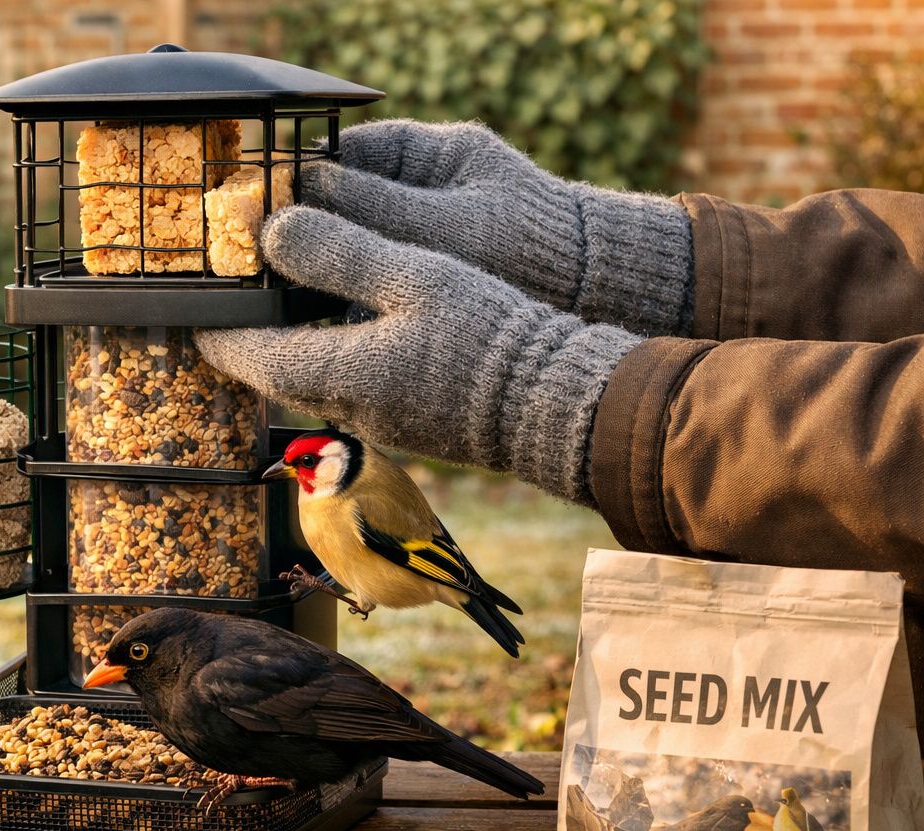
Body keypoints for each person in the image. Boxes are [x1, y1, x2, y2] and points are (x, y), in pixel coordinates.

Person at [194, 120, 924, 737]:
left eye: (302, 463)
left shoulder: (355, 499)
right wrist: (608, 256)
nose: (292, 471)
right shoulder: (349, 488)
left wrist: (536, 383)